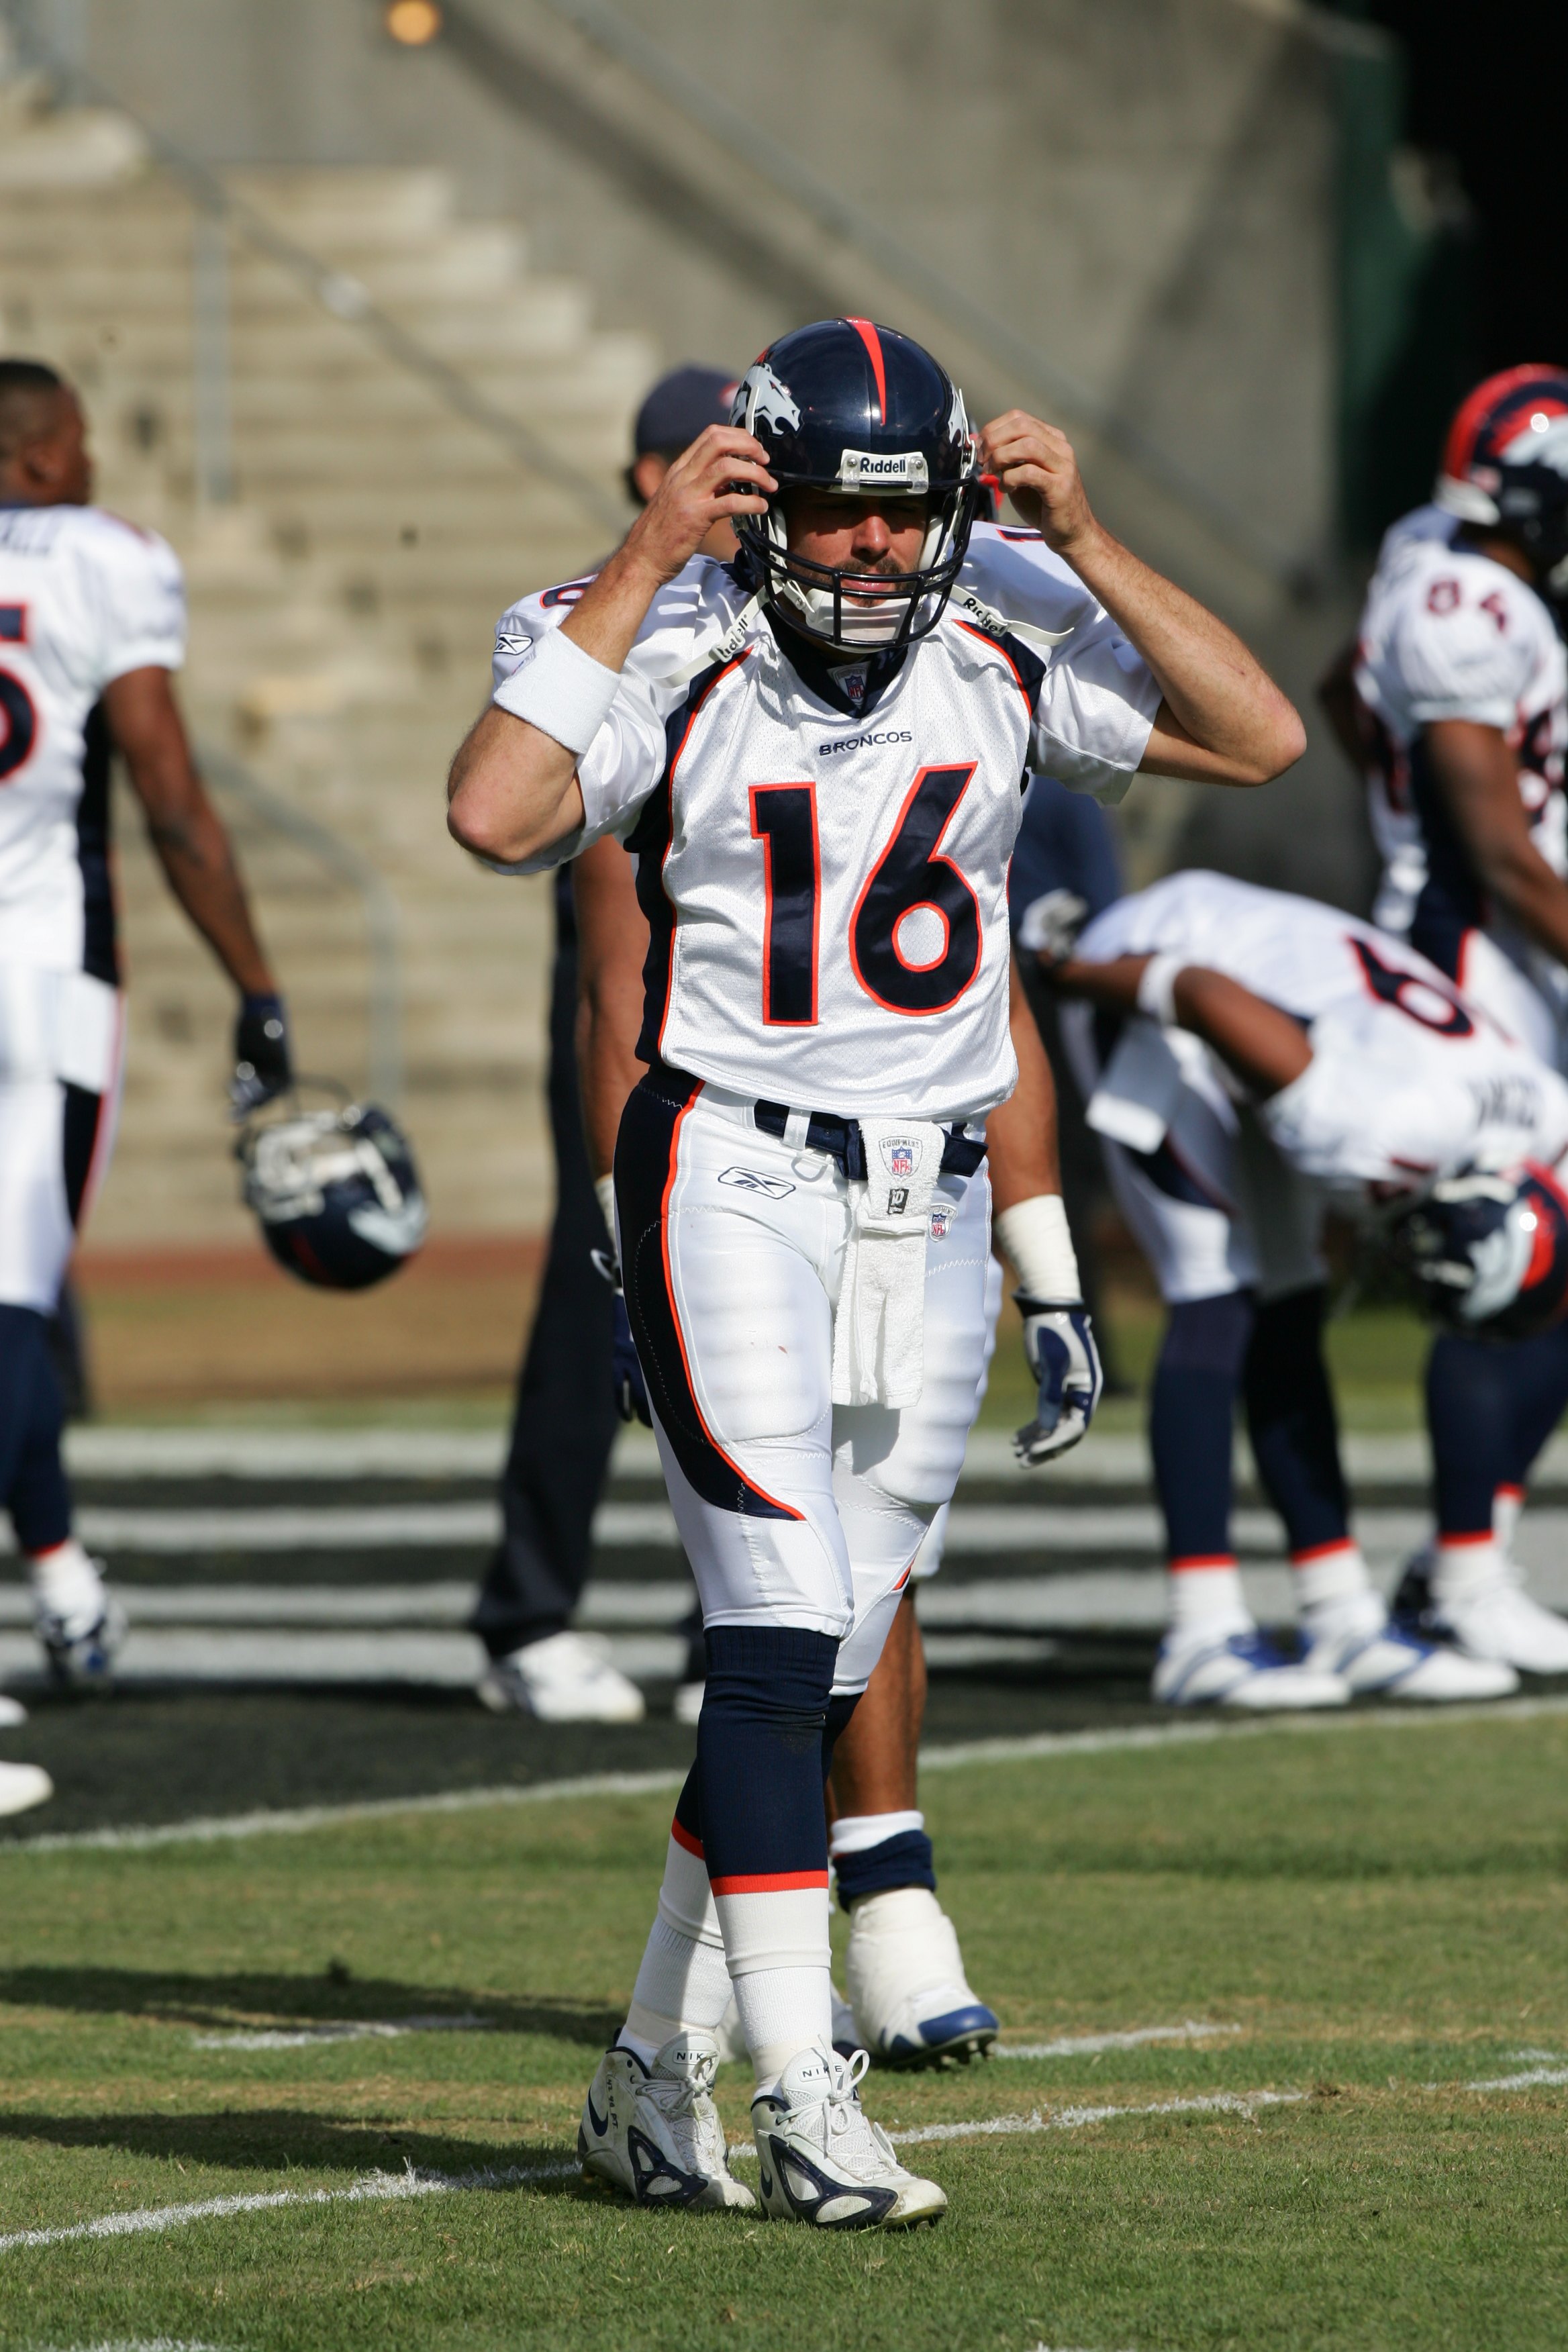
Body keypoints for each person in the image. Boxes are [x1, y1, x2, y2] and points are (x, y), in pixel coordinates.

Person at [448, 316, 1301, 2228]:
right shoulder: (658, 622)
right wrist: (656, 554)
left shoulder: (999, 612)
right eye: (829, 515)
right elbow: (495, 815)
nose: (868, 556)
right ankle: (806, 2093)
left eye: (901, 519)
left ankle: (651, 2078)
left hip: (923, 1205)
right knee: (767, 1627)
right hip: (730, 1165)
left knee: (816, 1652)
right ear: (761, 500)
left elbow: (1258, 735)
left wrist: (1086, 533)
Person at [573, 829, 1069, 2067]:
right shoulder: (687, 676)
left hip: (921, 1194)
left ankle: (710, 2011)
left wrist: (1046, 1257)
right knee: (781, 1599)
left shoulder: (968, 666)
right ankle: (799, 2061)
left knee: (866, 1585)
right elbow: (614, 985)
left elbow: (991, 998)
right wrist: (621, 1239)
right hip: (739, 1179)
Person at [1050, 865, 1568, 1702]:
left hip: (1280, 1014)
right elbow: (1200, 995)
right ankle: (1199, 1629)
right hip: (1157, 975)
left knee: (1288, 1296)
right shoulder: (1369, 1132)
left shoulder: (1542, 1121)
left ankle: (1338, 1616)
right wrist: (1067, 974)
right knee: (1212, 1289)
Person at [0, 358, 291, 1776]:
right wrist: (256, 984)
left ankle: (57, 1571)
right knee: (11, 1301)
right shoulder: (105, 561)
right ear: (48, 455)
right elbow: (168, 797)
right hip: (33, 975)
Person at [470, 365, 736, 1723]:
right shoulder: (605, 625)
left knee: (766, 1350)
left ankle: (733, 1633)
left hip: (770, 1038)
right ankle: (528, 1613)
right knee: (602, 1302)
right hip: (640, 1030)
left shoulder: (784, 617)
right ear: (657, 476)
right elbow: (600, 929)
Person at [1319, 364, 1568, 1671]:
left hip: (1503, 948)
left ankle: (1461, 1560)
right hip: (1482, 953)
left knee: (1540, 1265)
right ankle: (1463, 1573)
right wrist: (1413, 822)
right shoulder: (1467, 600)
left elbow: (1337, 692)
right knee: (1502, 1264)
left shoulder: (1437, 560)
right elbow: (1502, 851)